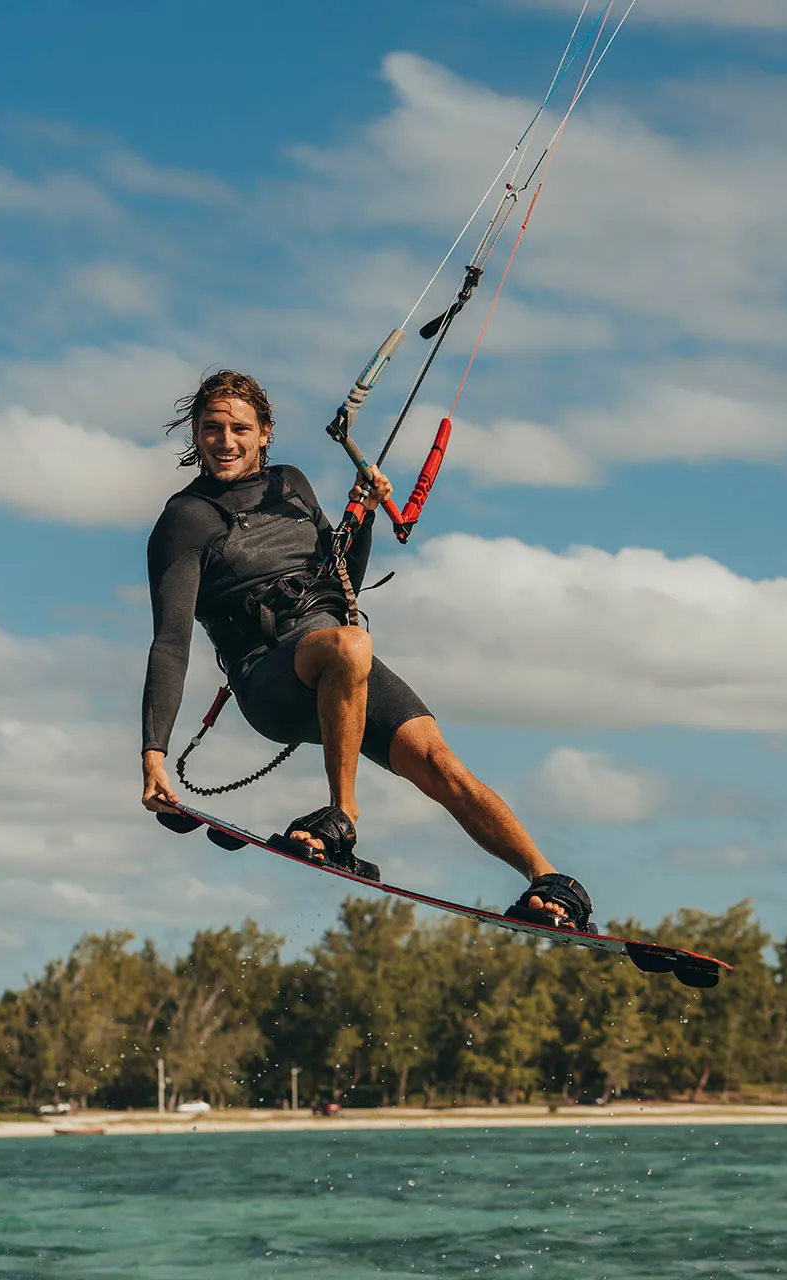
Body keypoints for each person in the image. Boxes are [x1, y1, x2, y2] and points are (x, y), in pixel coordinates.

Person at [139, 370, 591, 930]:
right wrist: (154, 753)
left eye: (239, 428)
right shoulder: (184, 519)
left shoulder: (292, 485)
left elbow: (342, 583)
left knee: (439, 760)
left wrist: (366, 513)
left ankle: (543, 882)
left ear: (265, 433)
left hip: (340, 663)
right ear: (196, 433)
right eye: (211, 428)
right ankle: (344, 815)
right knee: (350, 645)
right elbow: (170, 641)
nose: (225, 441)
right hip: (270, 678)